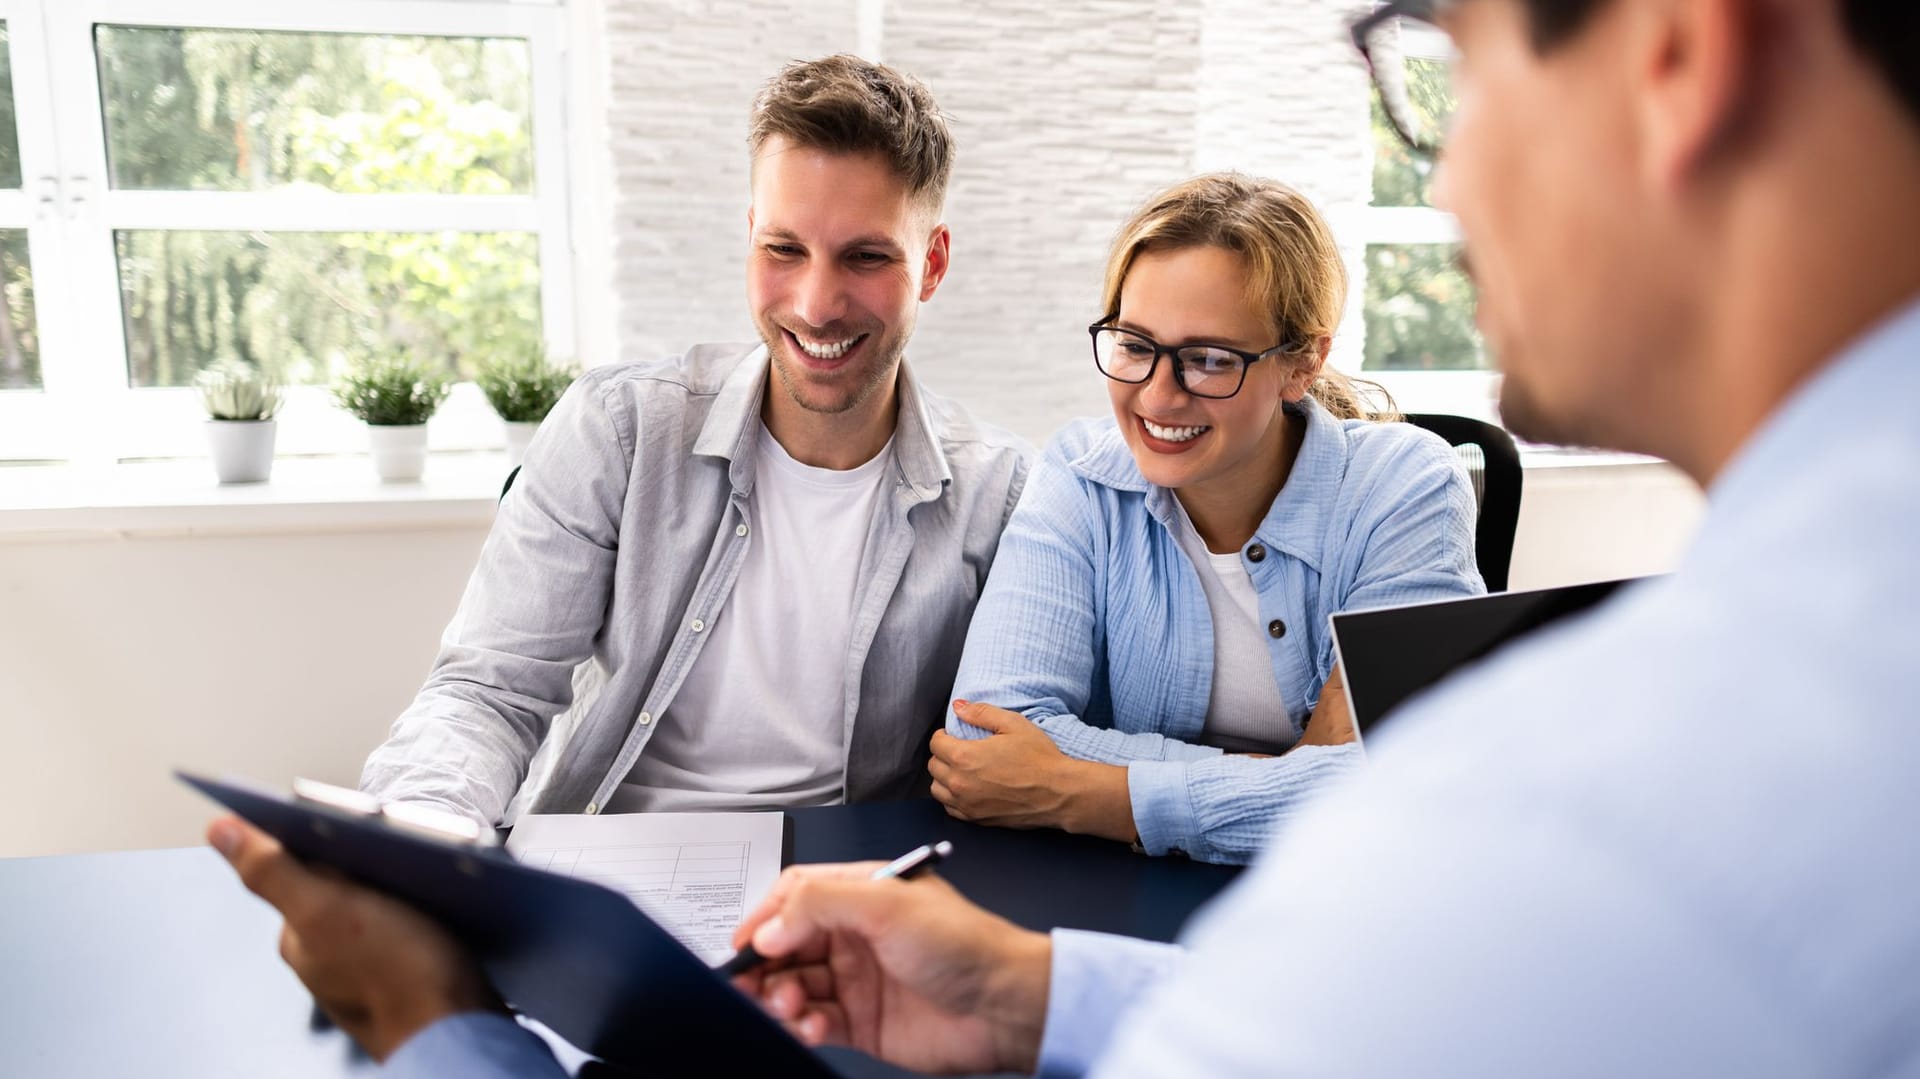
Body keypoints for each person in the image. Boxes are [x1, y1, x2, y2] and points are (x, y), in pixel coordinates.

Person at [208, 0, 1920, 1073]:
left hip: (840, 914)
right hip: (647, 896)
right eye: (780, 252)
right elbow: (506, 688)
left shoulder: (1015, 486)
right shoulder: (642, 430)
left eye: (1446, 66)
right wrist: (434, 846)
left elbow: (1079, 771)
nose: (1449, 180)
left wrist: (430, 1021)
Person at [358, 55, 1029, 824]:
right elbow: (489, 691)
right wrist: (425, 827)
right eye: (784, 249)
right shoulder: (618, 430)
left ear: (932, 263)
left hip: (843, 900)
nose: (816, 304)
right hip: (606, 862)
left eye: (866, 257)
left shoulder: (999, 494)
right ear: (750, 238)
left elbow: (1016, 751)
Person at [930, 174, 1482, 864]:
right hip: (1126, 898)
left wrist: (1093, 792)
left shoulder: (1405, 485)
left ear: (1301, 363)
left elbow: (1410, 781)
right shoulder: (1081, 474)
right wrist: (1287, 779)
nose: (1159, 396)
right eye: (1134, 345)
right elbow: (984, 739)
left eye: (1209, 359)